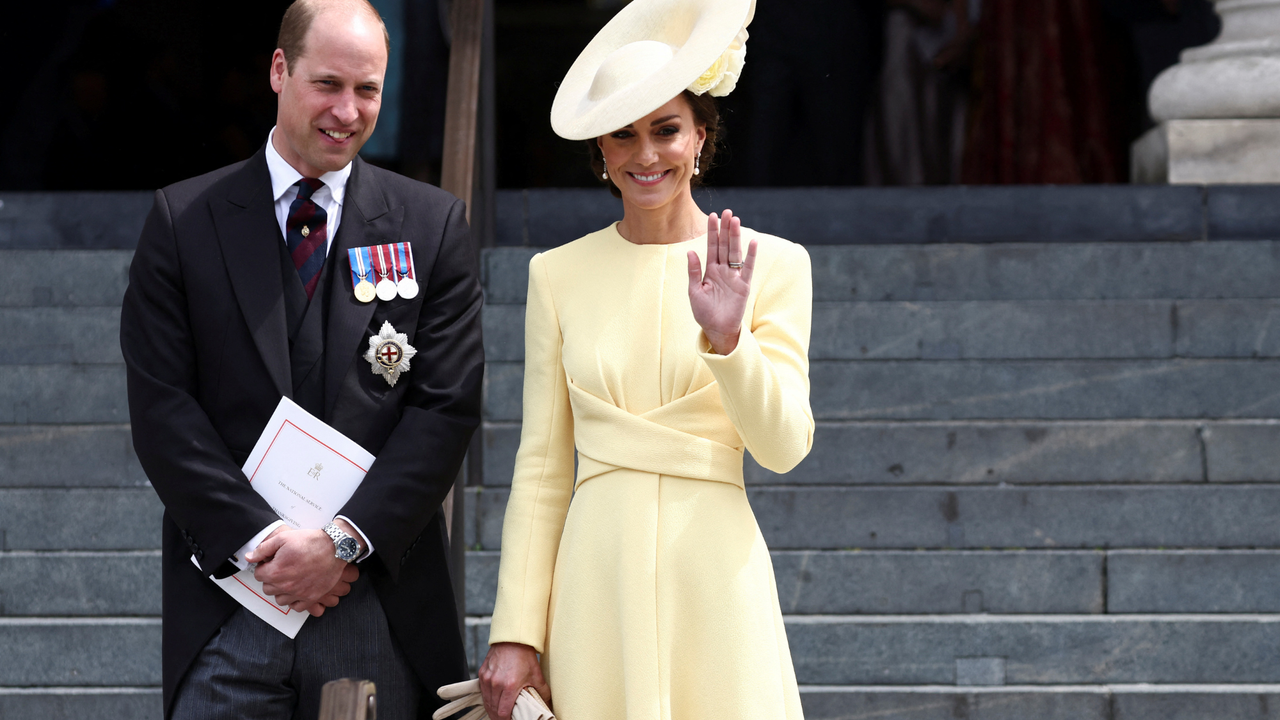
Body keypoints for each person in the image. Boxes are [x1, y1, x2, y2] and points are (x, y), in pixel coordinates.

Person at [119, 1, 483, 718]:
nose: (347, 111)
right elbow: (163, 406)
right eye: (328, 84)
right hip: (229, 599)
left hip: (377, 601)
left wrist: (342, 543)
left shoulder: (432, 225)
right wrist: (261, 542)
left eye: (368, 90)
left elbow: (446, 408)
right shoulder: (183, 222)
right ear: (280, 72)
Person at [477, 1, 814, 718]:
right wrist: (515, 631)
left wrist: (731, 341)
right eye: (622, 135)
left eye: (665, 130)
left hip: (716, 577)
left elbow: (784, 447)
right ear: (600, 152)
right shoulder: (556, 275)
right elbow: (540, 467)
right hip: (597, 580)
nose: (645, 154)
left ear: (701, 136)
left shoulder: (776, 266)